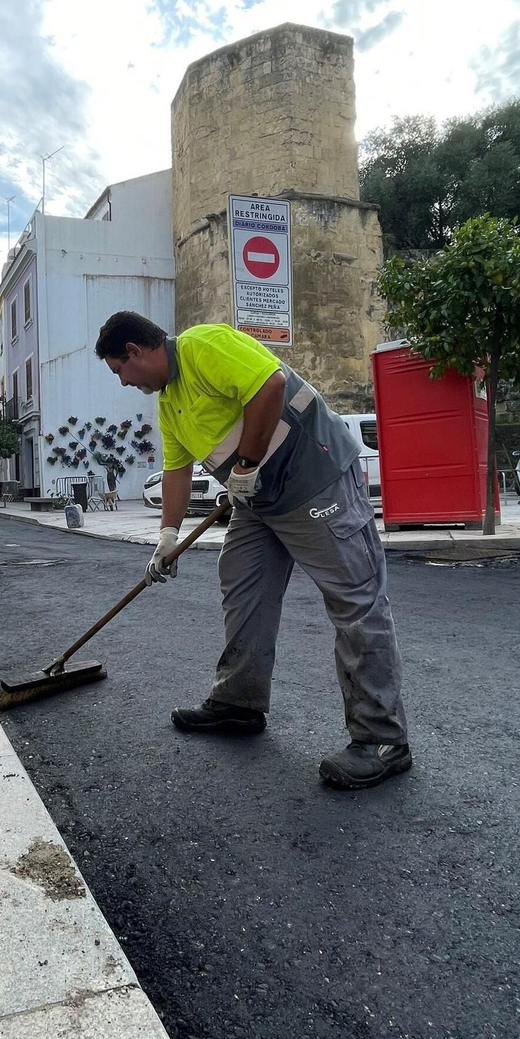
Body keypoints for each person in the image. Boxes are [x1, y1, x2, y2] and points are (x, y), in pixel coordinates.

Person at [95, 311, 411, 790]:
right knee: (242, 585)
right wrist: (168, 535)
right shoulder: (170, 401)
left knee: (355, 603)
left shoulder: (203, 346)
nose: (122, 381)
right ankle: (238, 703)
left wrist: (244, 464)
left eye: (120, 370)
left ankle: (382, 739)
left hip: (315, 480)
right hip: (258, 497)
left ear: (137, 352)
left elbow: (270, 384)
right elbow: (177, 470)